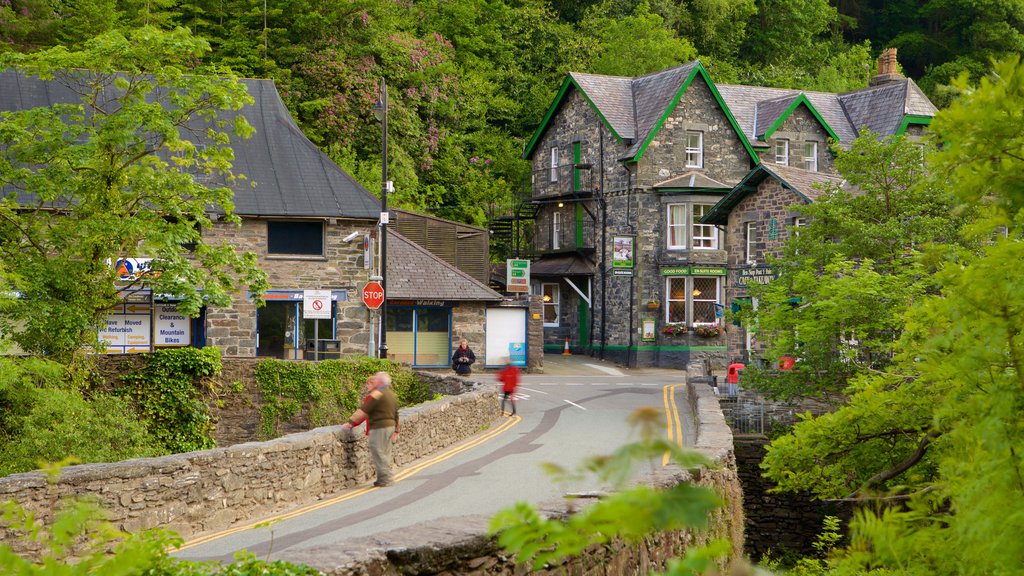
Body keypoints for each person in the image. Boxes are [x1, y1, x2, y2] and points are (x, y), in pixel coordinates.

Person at [341, 371, 399, 487]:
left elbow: (364, 410)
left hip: (379, 427)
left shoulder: (377, 394)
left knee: (377, 451)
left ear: (380, 381)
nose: (374, 381)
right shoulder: (392, 394)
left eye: (376, 379)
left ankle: (385, 479)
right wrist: (397, 430)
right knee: (386, 452)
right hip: (390, 426)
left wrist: (350, 422)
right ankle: (386, 477)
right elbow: (396, 414)